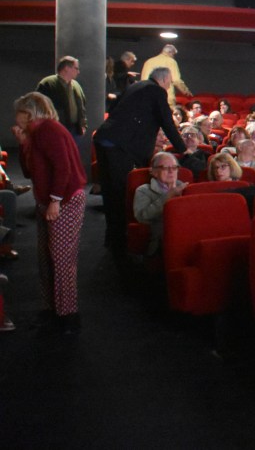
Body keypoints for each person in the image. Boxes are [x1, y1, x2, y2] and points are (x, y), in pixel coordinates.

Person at [12, 92, 87, 334]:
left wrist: (55, 200)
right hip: (49, 201)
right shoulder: (36, 133)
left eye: (19, 112)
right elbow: (29, 172)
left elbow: (63, 168)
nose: (16, 118)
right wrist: (23, 143)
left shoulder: (48, 130)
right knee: (46, 257)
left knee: (61, 258)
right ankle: (51, 309)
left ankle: (67, 315)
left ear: (29, 112)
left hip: (64, 200)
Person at [93, 67, 187, 260]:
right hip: (120, 147)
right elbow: (167, 122)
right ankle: (119, 246)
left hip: (105, 140)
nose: (169, 86)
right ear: (163, 80)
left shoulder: (135, 87)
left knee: (109, 193)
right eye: (169, 83)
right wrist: (183, 149)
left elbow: (114, 110)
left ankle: (112, 239)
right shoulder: (156, 91)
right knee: (119, 193)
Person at [132, 151, 187, 257]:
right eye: (165, 168)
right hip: (161, 240)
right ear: (154, 172)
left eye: (174, 167)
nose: (171, 171)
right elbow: (141, 216)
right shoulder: (144, 190)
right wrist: (168, 196)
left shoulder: (186, 188)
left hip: (186, 232)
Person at [36, 55, 87, 137]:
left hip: (75, 129)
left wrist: (83, 124)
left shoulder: (76, 85)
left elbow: (82, 107)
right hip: (55, 129)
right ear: (66, 68)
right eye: (76, 68)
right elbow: (39, 106)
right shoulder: (48, 83)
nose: (78, 72)